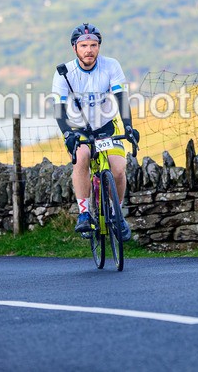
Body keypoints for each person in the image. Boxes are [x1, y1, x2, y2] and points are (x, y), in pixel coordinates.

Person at [52, 23, 140, 241]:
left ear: (99, 47)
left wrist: (128, 125)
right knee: (81, 157)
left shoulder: (111, 66)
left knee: (118, 169)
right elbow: (59, 109)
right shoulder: (64, 73)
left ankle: (117, 213)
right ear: (75, 48)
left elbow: (121, 97)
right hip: (78, 129)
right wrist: (66, 134)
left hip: (107, 126)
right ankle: (83, 213)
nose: (89, 50)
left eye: (93, 45)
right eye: (83, 45)